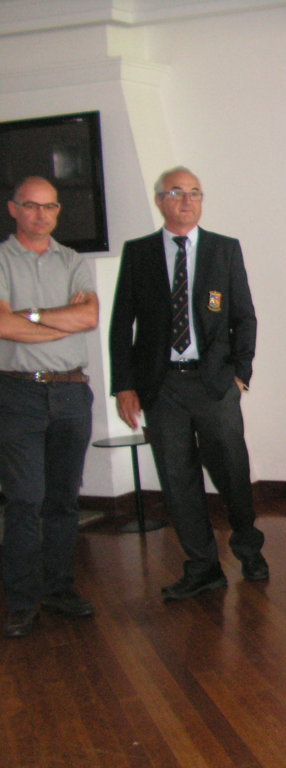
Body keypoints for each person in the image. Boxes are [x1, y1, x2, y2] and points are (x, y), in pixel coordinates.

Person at [109, 167, 267, 601]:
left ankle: (249, 549)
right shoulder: (139, 253)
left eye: (195, 193)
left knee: (232, 471)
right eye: (177, 192)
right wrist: (124, 385)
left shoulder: (223, 249)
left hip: (214, 383)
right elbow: (122, 324)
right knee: (177, 480)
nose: (187, 200)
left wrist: (240, 374)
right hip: (162, 387)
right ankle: (202, 567)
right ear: (160, 200)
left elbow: (244, 316)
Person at [0, 176, 99, 637]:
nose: (41, 215)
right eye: (31, 206)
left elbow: (89, 317)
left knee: (63, 500)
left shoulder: (74, 261)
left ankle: (59, 588)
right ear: (13, 209)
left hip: (72, 393)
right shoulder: (1, 259)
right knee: (24, 501)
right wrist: (61, 322)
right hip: (17, 394)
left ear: (58, 211)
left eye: (50, 207)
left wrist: (30, 316)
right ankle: (22, 601)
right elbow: (2, 327)